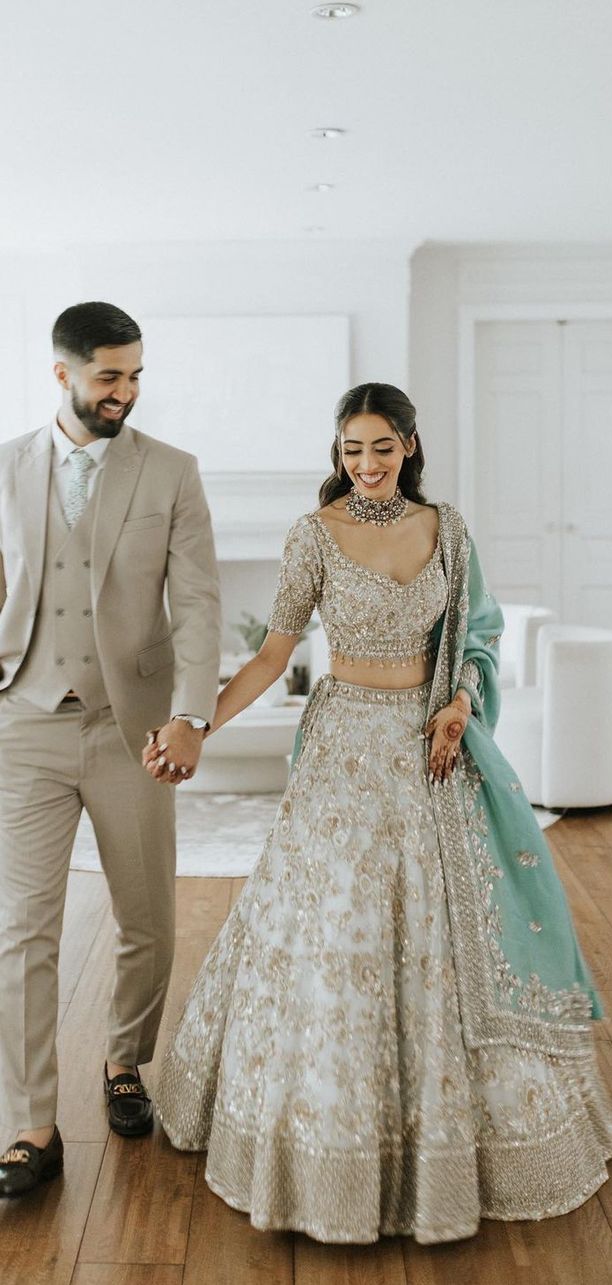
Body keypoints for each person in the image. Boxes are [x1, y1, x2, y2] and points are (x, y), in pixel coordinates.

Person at [150, 382, 612, 1244]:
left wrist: (459, 705)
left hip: (428, 747)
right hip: (343, 751)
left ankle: (439, 1146)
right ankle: (324, 1140)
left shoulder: (450, 529)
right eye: (351, 450)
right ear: (337, 453)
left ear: (409, 444)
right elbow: (273, 654)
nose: (366, 466)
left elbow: (476, 638)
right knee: (340, 934)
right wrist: (200, 721)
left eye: (381, 447)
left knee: (439, 932)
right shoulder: (313, 537)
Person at [0, 302, 221, 1198]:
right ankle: (31, 1124)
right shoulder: (5, 467)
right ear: (63, 374)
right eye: (108, 378)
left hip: (134, 731)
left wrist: (191, 716)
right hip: (24, 722)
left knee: (148, 922)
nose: (125, 392)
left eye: (135, 376)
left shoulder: (172, 472)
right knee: (21, 929)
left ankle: (125, 1064)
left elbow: (201, 602)